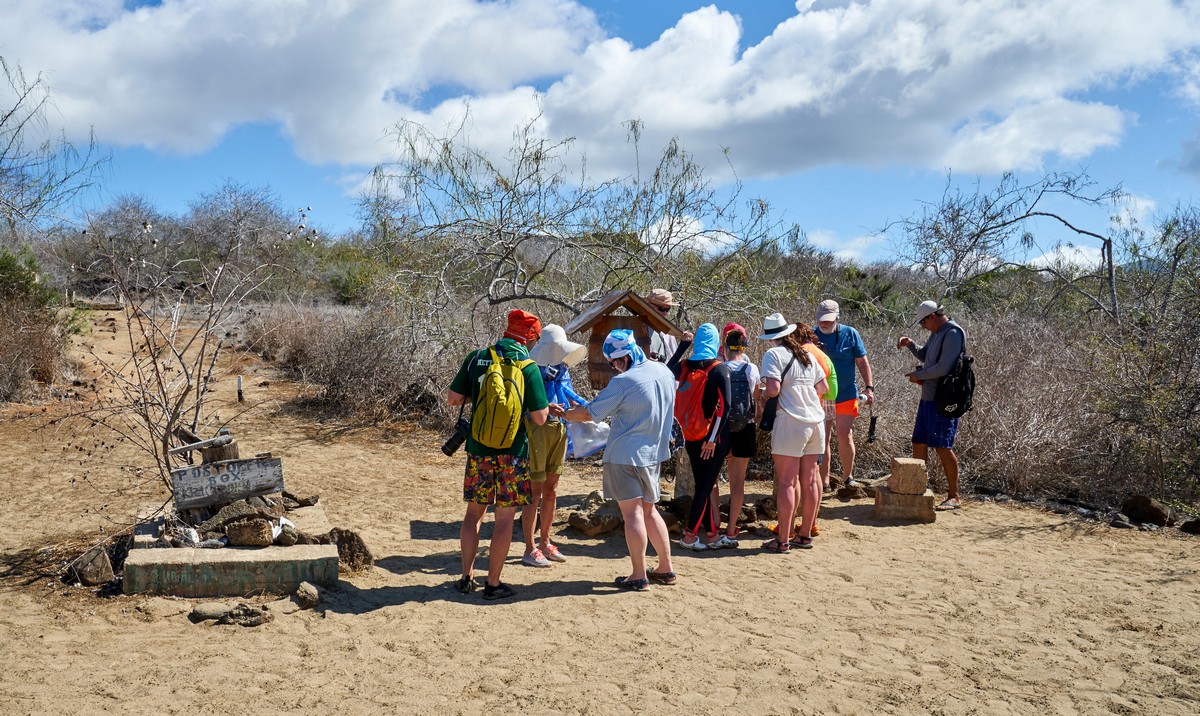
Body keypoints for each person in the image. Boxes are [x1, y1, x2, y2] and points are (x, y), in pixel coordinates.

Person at [553, 329, 677, 590]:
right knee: (650, 510)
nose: (613, 368)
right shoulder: (664, 372)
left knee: (632, 514)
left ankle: (638, 574)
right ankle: (665, 568)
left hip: (625, 455)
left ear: (622, 357)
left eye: (613, 362)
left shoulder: (624, 382)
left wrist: (563, 414)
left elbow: (590, 414)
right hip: (654, 454)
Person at [447, 309, 550, 600]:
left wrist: (479, 397)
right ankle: (493, 583)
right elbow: (540, 418)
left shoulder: (477, 357)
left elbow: (453, 399)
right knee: (504, 519)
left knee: (473, 515)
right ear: (530, 336)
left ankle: (466, 577)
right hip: (513, 454)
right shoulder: (527, 366)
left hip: (479, 449)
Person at [518, 324, 588, 568]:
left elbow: (568, 394)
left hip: (559, 429)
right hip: (536, 430)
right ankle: (530, 547)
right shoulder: (530, 369)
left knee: (552, 490)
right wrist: (548, 408)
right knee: (533, 492)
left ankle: (546, 541)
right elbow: (524, 404)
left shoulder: (562, 369)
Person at [757, 313, 828, 552]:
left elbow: (774, 390)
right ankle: (805, 534)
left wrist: (764, 391)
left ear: (770, 338)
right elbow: (824, 387)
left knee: (788, 482)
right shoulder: (807, 354)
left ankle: (783, 539)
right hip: (815, 421)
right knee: (809, 481)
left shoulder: (773, 355)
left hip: (791, 421)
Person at [670, 323, 736, 551]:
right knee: (704, 487)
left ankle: (711, 534)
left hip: (690, 434)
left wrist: (683, 347)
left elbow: (667, 370)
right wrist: (712, 439)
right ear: (717, 342)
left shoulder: (686, 366)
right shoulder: (720, 369)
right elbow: (725, 408)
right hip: (712, 439)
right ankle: (689, 536)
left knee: (703, 485)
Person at [897, 301, 966, 511]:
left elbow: (944, 367)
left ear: (932, 317)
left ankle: (954, 495)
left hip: (944, 399)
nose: (922, 327)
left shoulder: (953, 333)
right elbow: (927, 356)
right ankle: (919, 488)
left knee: (943, 446)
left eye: (923, 322)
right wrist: (910, 344)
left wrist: (918, 375)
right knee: (919, 442)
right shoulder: (937, 332)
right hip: (928, 397)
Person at [813, 299, 875, 489]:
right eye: (821, 319)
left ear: (837, 318)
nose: (824, 323)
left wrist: (869, 387)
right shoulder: (812, 336)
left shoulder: (850, 334)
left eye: (829, 320)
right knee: (822, 437)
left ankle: (848, 477)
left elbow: (862, 362)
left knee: (844, 435)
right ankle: (824, 479)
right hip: (822, 395)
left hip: (847, 393)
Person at [716, 323, 760, 541]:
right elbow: (756, 399)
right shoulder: (752, 369)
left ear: (724, 347)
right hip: (746, 427)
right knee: (738, 482)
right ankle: (731, 528)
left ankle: (714, 524)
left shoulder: (719, 369)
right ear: (744, 348)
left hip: (721, 426)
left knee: (712, 477)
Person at [645, 288, 684, 363]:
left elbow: (673, 360)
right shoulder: (635, 326)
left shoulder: (668, 331)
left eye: (668, 309)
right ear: (649, 306)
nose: (666, 313)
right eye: (661, 309)